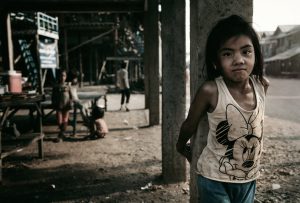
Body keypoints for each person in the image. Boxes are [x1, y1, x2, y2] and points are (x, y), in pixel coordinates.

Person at [176, 15, 269, 203]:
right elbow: (189, 124)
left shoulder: (261, 85)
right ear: (215, 61)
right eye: (227, 54)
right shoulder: (211, 90)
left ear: (255, 55)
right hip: (214, 178)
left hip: (249, 177)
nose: (239, 60)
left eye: (246, 52)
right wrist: (180, 146)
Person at [51, 69, 73, 142]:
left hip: (66, 104)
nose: (62, 77)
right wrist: (53, 103)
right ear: (58, 77)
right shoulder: (55, 85)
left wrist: (71, 102)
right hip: (58, 105)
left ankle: (61, 135)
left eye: (64, 76)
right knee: (59, 120)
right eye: (61, 76)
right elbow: (53, 96)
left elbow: (71, 95)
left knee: (65, 119)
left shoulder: (68, 85)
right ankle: (62, 133)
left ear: (66, 77)